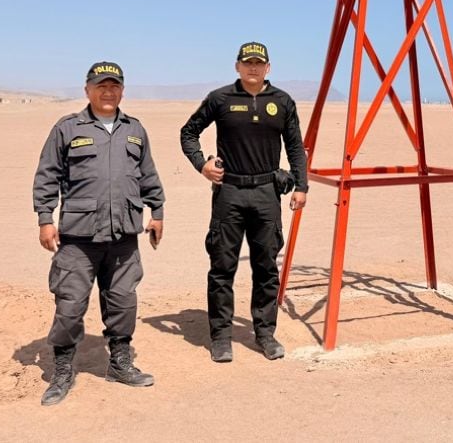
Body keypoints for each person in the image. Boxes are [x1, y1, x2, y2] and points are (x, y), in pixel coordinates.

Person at [32, 61, 165, 406]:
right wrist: (45, 218)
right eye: (101, 86)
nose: (108, 92)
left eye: (114, 86)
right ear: (87, 90)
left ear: (122, 90)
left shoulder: (135, 130)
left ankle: (120, 363)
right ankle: (62, 370)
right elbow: (47, 176)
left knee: (122, 301)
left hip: (124, 235)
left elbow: (148, 175)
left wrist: (158, 213)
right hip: (78, 237)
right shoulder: (68, 128)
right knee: (71, 304)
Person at [180, 42, 308, 363]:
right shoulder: (220, 99)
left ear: (268, 68)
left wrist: (301, 186)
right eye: (247, 62)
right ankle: (221, 337)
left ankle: (265, 333)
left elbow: (295, 147)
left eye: (258, 63)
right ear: (237, 66)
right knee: (223, 266)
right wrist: (202, 164)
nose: (253, 68)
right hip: (230, 194)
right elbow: (188, 133)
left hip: (267, 193)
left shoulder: (282, 102)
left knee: (266, 267)